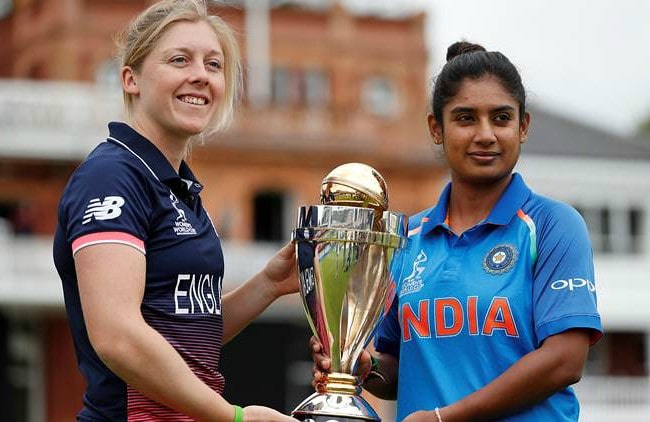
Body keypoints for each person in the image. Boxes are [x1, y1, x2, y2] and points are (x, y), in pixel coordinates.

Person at [311, 41, 603, 421]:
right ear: (436, 128)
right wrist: (363, 366)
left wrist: (444, 418)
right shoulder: (405, 237)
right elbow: (397, 368)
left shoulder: (552, 225)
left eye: (501, 118)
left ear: (523, 126)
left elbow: (565, 360)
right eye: (465, 118)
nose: (485, 134)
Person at [53, 1, 298, 421]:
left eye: (214, 64)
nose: (200, 75)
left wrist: (268, 285)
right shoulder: (113, 176)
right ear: (131, 78)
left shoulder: (179, 186)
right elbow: (118, 337)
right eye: (179, 59)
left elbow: (185, 340)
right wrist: (233, 417)